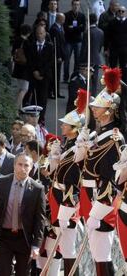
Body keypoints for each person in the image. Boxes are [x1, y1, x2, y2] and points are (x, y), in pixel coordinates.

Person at [78, 66, 125, 275]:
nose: (94, 109)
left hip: (101, 199)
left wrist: (99, 208)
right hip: (90, 194)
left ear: (109, 110)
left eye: (98, 107)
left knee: (102, 251)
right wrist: (83, 144)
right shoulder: (99, 134)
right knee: (98, 253)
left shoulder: (114, 138)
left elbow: (109, 178)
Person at [48, 90, 87, 275]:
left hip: (67, 198)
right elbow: (54, 173)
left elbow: (73, 178)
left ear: (74, 128)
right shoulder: (66, 145)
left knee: (68, 245)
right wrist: (54, 157)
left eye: (66, 124)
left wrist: (68, 203)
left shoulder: (76, 149)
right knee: (60, 242)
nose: (62, 126)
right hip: (57, 195)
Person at [0, 153, 47, 276]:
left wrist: (36, 245)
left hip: (24, 238)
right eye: (20, 164)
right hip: (3, 237)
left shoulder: (37, 189)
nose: (23, 168)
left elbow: (40, 219)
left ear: (31, 167)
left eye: (26, 165)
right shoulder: (2, 182)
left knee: (23, 272)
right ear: (14, 165)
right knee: (3, 271)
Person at [26, 25, 54, 123]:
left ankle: (41, 118)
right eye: (37, 33)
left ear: (45, 34)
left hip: (45, 76)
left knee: (43, 98)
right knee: (34, 97)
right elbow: (30, 60)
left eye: (41, 33)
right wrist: (34, 72)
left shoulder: (50, 46)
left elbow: (50, 62)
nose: (39, 35)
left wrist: (41, 73)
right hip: (33, 76)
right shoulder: (32, 45)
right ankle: (33, 117)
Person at [80, 13, 104, 96]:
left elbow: (84, 48)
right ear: (96, 21)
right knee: (94, 80)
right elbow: (100, 46)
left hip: (87, 59)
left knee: (86, 79)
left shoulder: (87, 32)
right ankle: (93, 96)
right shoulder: (101, 32)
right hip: (97, 58)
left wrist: (81, 61)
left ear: (88, 21)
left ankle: (85, 96)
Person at [63, 0, 86, 82]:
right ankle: (65, 78)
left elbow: (83, 29)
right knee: (66, 60)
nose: (76, 6)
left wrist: (72, 27)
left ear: (79, 6)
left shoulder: (82, 16)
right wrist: (77, 28)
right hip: (68, 41)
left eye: (78, 5)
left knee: (77, 60)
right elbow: (66, 28)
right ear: (72, 5)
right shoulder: (66, 15)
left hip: (78, 41)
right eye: (74, 4)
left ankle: (74, 77)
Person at [12, 24, 32, 111]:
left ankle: (19, 108)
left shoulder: (16, 40)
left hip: (17, 67)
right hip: (25, 69)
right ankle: (15, 108)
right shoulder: (27, 42)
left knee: (19, 88)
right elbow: (29, 57)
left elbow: (13, 52)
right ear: (28, 33)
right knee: (24, 89)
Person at [105, 6, 127, 77]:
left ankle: (123, 84)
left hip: (124, 49)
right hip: (114, 48)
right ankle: (113, 83)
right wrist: (106, 48)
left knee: (123, 68)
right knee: (113, 66)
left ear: (125, 13)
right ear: (117, 12)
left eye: (122, 11)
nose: (121, 12)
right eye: (119, 11)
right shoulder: (112, 22)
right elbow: (107, 36)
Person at [49, 12, 67, 99]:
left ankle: (56, 92)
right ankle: (52, 92)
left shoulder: (60, 27)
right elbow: (56, 44)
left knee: (57, 75)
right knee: (54, 75)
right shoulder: (55, 29)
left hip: (60, 55)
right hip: (56, 56)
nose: (64, 20)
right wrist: (58, 56)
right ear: (60, 19)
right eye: (63, 19)